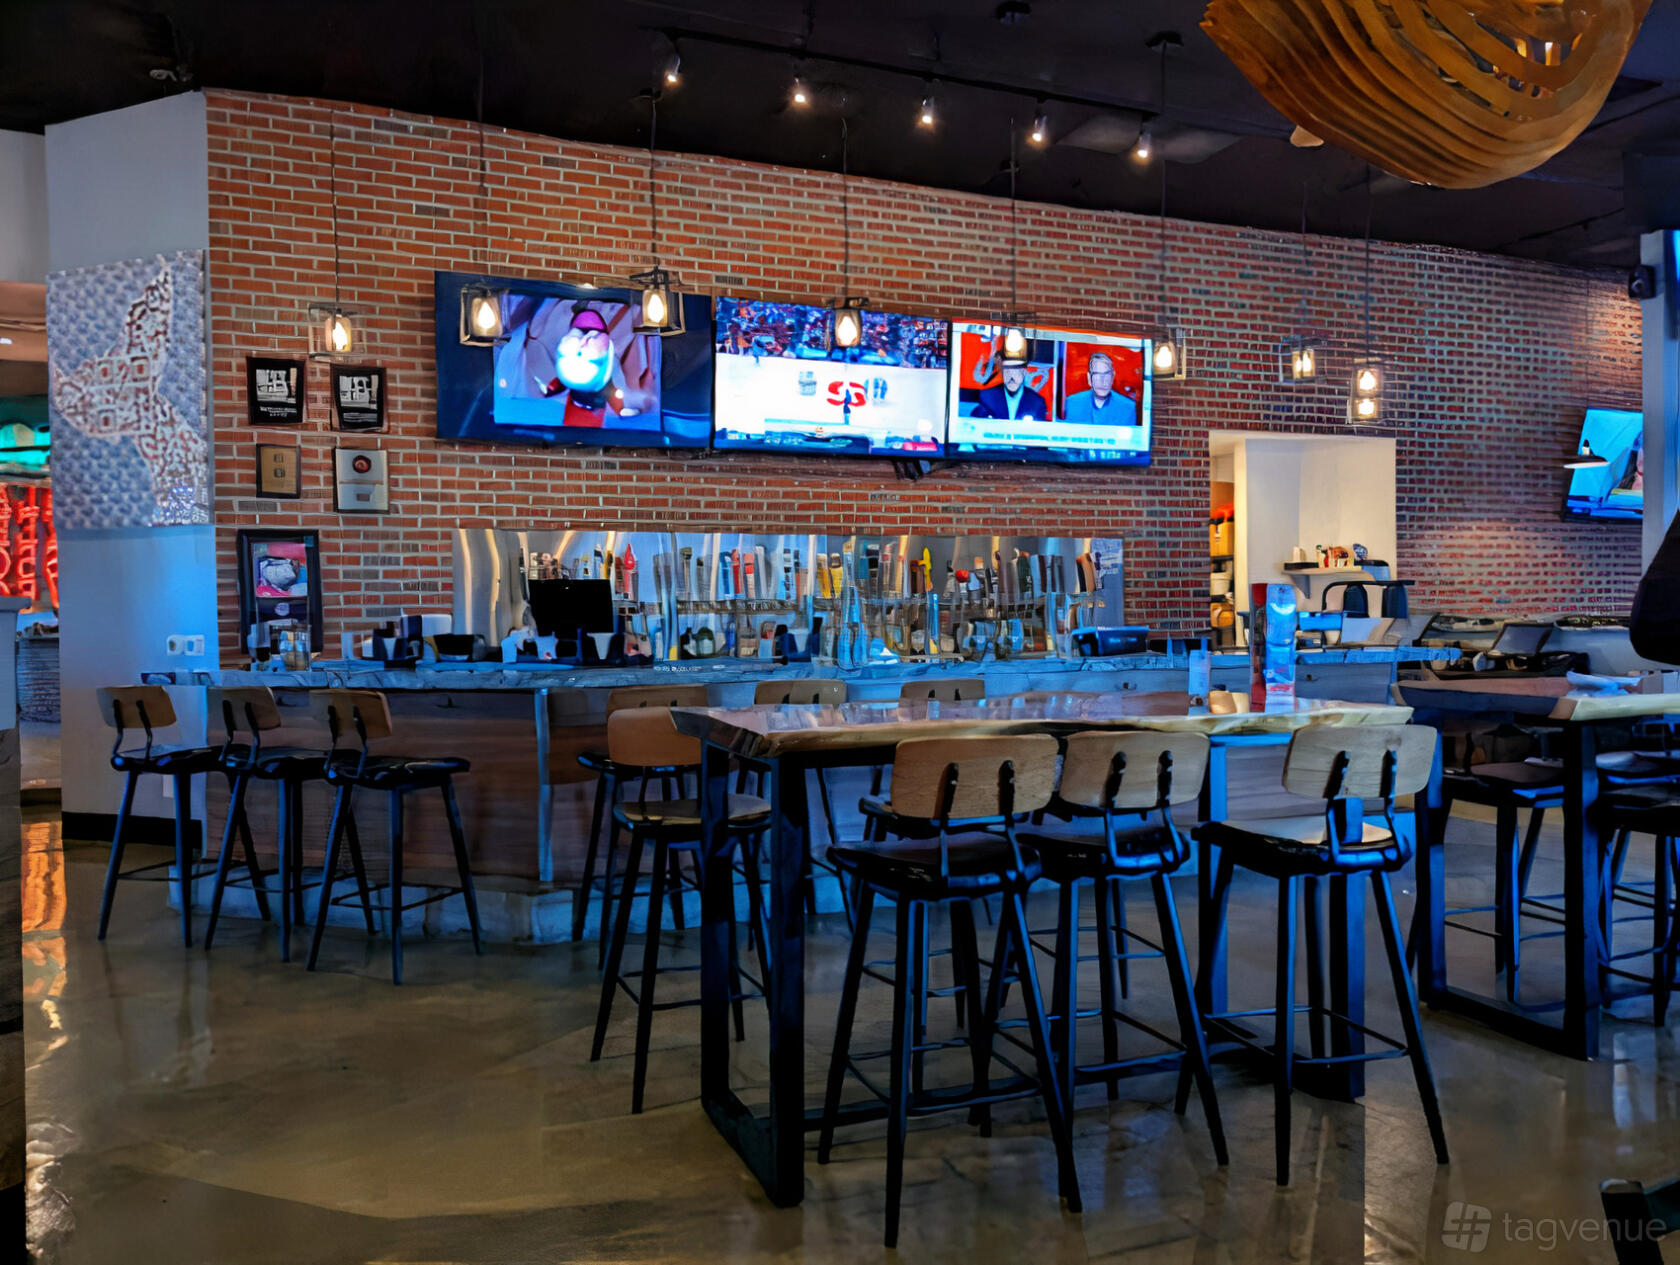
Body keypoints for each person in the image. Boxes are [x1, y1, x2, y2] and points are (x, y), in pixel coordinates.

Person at [1062, 352, 1138, 427]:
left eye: (1107, 374)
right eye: (1097, 374)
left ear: (1112, 376)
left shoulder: (1128, 407)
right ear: (1089, 378)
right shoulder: (1072, 403)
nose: (1102, 380)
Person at [971, 364, 1048, 420]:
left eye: (1016, 373)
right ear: (1002, 374)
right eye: (1008, 372)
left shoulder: (1037, 401)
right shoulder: (987, 396)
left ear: (1023, 373)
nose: (1012, 377)